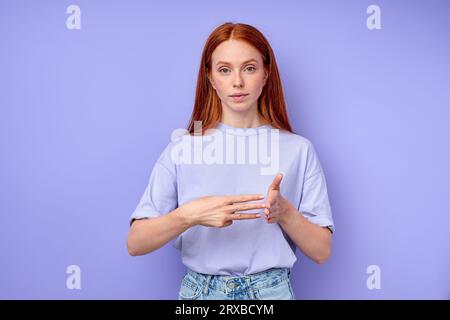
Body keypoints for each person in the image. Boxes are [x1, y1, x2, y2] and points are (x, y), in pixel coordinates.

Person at [126, 22, 335, 300]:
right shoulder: (184, 148)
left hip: (270, 294)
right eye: (225, 70)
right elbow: (136, 242)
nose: (238, 82)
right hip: (200, 294)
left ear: (266, 74)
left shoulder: (298, 150)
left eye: (249, 68)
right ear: (211, 78)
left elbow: (321, 251)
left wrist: (285, 212)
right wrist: (191, 214)